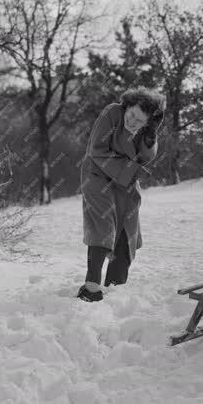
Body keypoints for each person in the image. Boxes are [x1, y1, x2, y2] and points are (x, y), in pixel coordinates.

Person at [77, 87, 166, 302]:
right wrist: (132, 169)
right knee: (103, 225)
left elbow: (146, 157)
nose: (132, 121)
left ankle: (116, 287)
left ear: (147, 122)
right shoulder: (111, 113)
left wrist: (150, 137)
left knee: (128, 229)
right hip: (97, 174)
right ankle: (91, 286)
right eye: (132, 114)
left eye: (139, 121)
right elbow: (96, 150)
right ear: (128, 106)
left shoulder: (146, 130)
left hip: (124, 181)